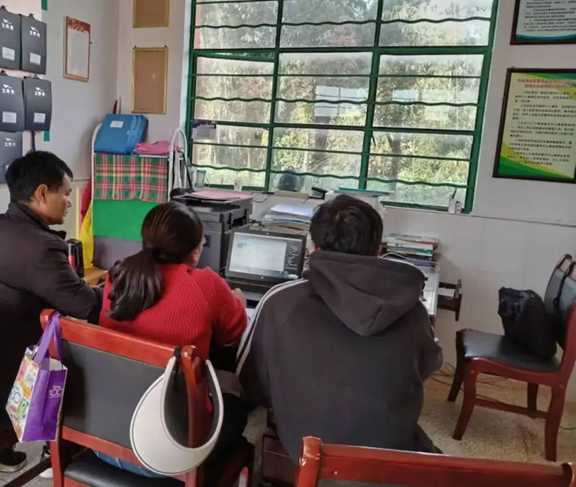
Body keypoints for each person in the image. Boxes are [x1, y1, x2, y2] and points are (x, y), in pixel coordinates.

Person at [238, 194, 443, 462]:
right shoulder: (412, 309)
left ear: (314, 248)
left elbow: (251, 379)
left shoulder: (280, 301)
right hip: (390, 457)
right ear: (378, 249)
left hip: (307, 453)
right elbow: (426, 367)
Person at [0, 151, 102, 472]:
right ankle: (63, 454)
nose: (69, 202)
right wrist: (116, 291)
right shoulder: (40, 247)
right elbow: (86, 306)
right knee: (90, 360)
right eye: (65, 193)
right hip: (3, 383)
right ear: (42, 193)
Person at [99, 201, 248, 479]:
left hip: (102, 437)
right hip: (169, 457)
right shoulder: (207, 284)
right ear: (195, 251)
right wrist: (236, 301)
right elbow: (234, 334)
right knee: (239, 408)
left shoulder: (117, 276)